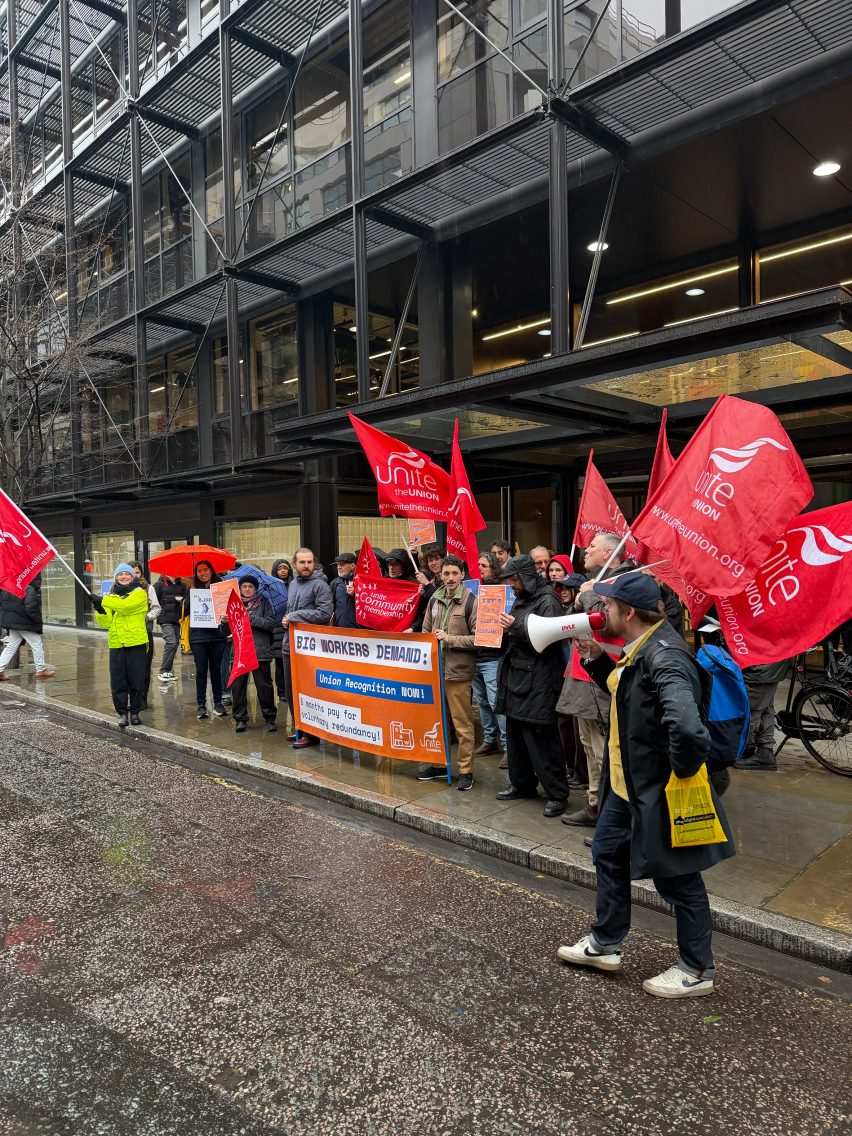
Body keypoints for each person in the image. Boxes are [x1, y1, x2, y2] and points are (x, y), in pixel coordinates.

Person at [558, 572, 734, 999]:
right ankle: (605, 943)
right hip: (625, 784)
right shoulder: (643, 647)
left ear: (628, 612)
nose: (601, 614)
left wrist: (677, 776)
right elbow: (630, 697)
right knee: (608, 854)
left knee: (676, 879)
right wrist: (599, 658)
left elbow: (689, 732)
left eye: (608, 607)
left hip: (655, 789)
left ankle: (696, 970)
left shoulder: (666, 657)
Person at [559, 531, 628, 829]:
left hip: (604, 674)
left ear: (609, 553)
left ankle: (608, 813)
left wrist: (587, 595)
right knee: (588, 745)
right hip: (583, 671)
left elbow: (609, 624)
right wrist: (578, 602)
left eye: (592, 546)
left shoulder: (621, 582)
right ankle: (594, 803)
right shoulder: (593, 584)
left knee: (603, 749)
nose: (585, 550)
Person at [494, 554, 570, 817]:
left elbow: (548, 639)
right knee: (516, 735)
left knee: (541, 738)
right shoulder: (523, 598)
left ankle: (557, 793)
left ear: (525, 576)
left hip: (539, 679)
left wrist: (514, 627)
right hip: (517, 675)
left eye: (514, 579)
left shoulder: (548, 600)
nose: (512, 585)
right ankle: (522, 783)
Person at [418, 555, 478, 790]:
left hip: (458, 673)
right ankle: (439, 764)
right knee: (436, 722)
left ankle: (466, 770)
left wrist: (449, 639)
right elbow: (425, 631)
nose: (450, 578)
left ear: (462, 575)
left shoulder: (472, 601)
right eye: (446, 574)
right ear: (440, 576)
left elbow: (479, 640)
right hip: (434, 672)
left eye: (455, 573)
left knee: (462, 724)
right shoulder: (434, 598)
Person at [281, 548, 333, 749]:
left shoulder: (320, 585)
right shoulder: (293, 583)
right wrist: (285, 620)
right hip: (289, 644)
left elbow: (324, 613)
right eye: (302, 562)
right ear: (294, 564)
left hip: (310, 649)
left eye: (309, 562)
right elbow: (289, 611)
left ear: (315, 563)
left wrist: (294, 617)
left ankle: (311, 734)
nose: (306, 566)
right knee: (291, 689)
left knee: (308, 690)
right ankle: (299, 728)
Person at [89, 563, 150, 727]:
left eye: (127, 574)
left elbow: (126, 607)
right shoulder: (112, 597)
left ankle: (135, 711)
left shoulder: (140, 594)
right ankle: (122, 713)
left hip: (136, 641)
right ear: (116, 578)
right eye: (120, 574)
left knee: (136, 680)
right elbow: (106, 622)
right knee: (118, 681)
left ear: (133, 576)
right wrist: (100, 610)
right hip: (116, 642)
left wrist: (103, 600)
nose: (123, 577)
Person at [223, 575, 277, 733]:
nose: (247, 589)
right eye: (244, 586)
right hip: (239, 652)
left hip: (260, 651)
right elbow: (225, 633)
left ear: (255, 588)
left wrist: (249, 617)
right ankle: (240, 719)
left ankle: (270, 718)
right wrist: (225, 622)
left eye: (250, 587)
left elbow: (269, 623)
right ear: (240, 589)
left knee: (264, 686)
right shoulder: (233, 605)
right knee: (238, 688)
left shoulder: (264, 603)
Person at [472, 552, 507, 765]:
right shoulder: (473, 589)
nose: (481, 568)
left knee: (496, 703)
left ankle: (508, 746)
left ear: (493, 567)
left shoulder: (504, 591)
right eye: (478, 565)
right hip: (475, 655)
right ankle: (489, 739)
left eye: (484, 565)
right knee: (483, 702)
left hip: (493, 655)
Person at [184, 559, 229, 721]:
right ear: (196, 574)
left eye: (206, 570)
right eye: (199, 571)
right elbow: (184, 611)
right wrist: (191, 594)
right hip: (198, 637)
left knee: (216, 669)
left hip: (217, 636)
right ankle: (201, 705)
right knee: (201, 670)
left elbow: (228, 606)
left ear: (211, 571)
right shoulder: (191, 589)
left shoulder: (221, 587)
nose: (203, 573)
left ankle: (218, 702)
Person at [0, 574, 54, 680]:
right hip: (25, 623)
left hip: (13, 623)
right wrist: (37, 622)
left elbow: (3, 605)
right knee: (37, 644)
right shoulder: (29, 589)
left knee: (11, 646)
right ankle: (41, 669)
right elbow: (31, 608)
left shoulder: (9, 588)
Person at [738, 659, 789, 770]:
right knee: (766, 708)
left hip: (759, 668)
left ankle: (747, 750)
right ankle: (765, 751)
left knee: (753, 709)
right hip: (772, 666)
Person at [270, 558, 293, 713]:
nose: (283, 571)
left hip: (291, 624)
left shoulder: (293, 585)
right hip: (277, 627)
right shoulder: (271, 587)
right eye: (280, 569)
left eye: (285, 568)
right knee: (279, 663)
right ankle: (282, 691)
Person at [154, 574, 186, 683]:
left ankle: (167, 671)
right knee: (171, 643)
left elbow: (186, 602)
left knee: (175, 644)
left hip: (177, 619)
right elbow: (153, 601)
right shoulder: (159, 584)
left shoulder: (182, 585)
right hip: (165, 619)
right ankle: (163, 671)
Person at [330, 552, 358, 628]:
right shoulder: (335, 583)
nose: (339, 567)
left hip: (358, 631)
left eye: (342, 564)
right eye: (338, 564)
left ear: (352, 566)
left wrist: (354, 595)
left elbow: (367, 606)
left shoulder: (362, 583)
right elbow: (330, 607)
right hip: (339, 629)